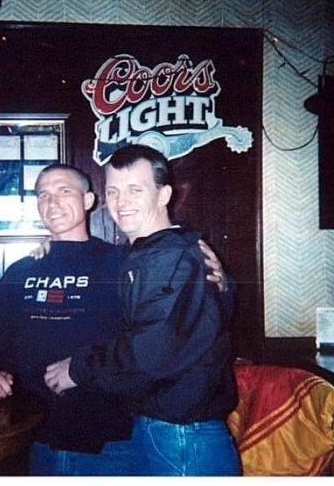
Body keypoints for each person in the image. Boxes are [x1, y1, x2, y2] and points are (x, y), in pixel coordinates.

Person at [0, 163, 228, 476]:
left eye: (64, 191)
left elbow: (177, 322)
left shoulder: (123, 261)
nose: (52, 201)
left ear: (89, 200)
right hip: (35, 438)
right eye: (43, 195)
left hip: (114, 443)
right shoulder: (21, 270)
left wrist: (222, 281)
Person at [44, 145, 240, 476]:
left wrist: (77, 369)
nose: (121, 202)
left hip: (182, 438)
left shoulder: (170, 257)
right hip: (167, 431)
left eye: (136, 189)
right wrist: (51, 249)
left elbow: (152, 353)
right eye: (113, 191)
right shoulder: (148, 253)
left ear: (164, 195)